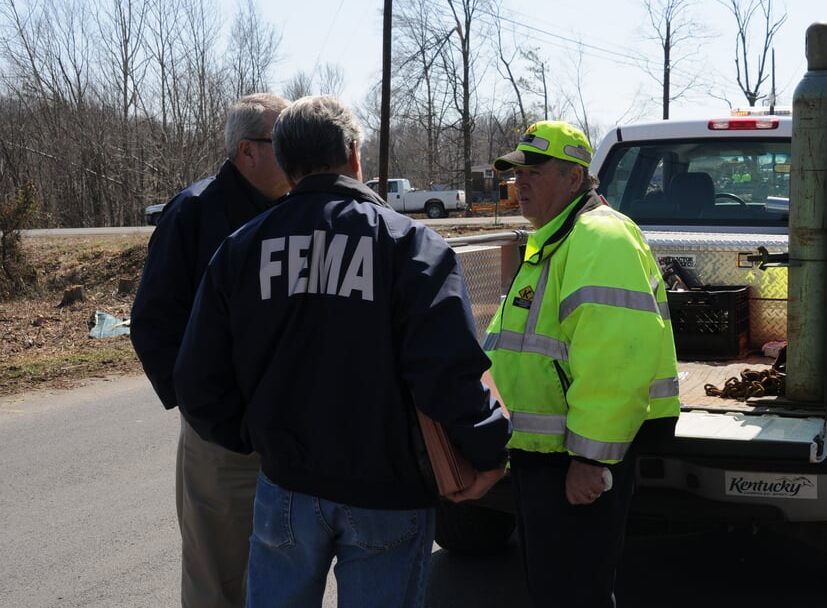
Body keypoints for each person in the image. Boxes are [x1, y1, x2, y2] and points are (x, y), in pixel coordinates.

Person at [172, 95, 510, 607]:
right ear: (355, 155)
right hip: (387, 493)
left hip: (284, 484)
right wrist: (488, 451)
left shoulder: (240, 249)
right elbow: (448, 372)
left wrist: (253, 436)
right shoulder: (411, 246)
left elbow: (197, 380)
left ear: (285, 165)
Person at [484, 120, 680, 608]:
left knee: (572, 593)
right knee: (555, 589)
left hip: (572, 460)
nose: (520, 181)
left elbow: (616, 362)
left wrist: (589, 460)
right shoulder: (556, 238)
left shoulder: (599, 238)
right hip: (543, 454)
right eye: (515, 172)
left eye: (534, 170)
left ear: (574, 179)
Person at [130, 93, 291, 608]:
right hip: (224, 438)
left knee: (282, 568)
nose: (294, 154)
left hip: (289, 431)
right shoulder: (195, 212)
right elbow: (154, 321)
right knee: (218, 577)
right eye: (282, 143)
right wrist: (209, 409)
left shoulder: (294, 209)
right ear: (247, 152)